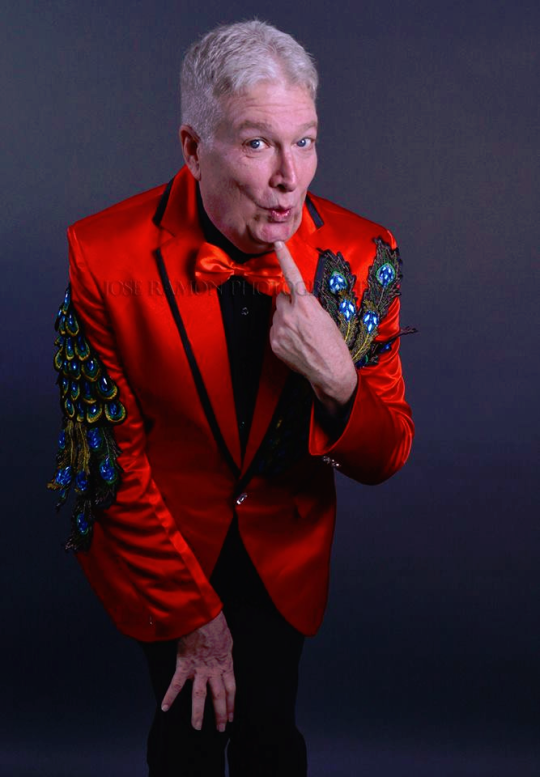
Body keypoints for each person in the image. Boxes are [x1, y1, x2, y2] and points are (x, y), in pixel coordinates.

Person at [48, 20, 414, 777]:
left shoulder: (361, 254)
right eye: (257, 144)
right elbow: (108, 463)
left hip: (288, 553)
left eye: (305, 141)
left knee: (271, 741)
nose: (291, 177)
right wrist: (192, 615)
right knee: (182, 747)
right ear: (193, 149)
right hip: (167, 546)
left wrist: (337, 381)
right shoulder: (102, 255)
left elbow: (386, 456)